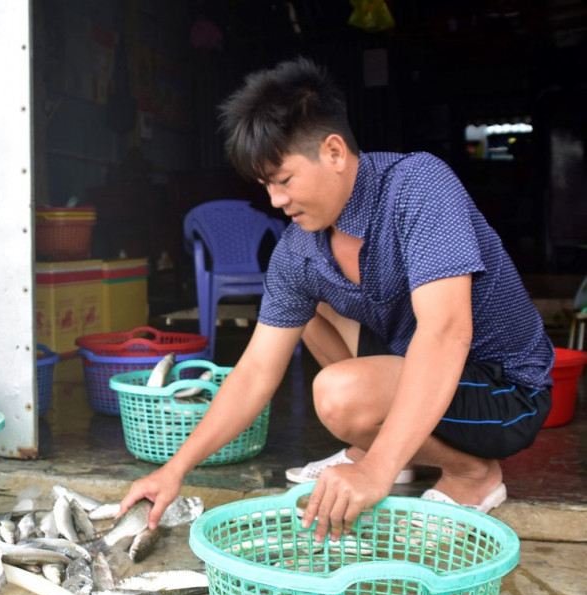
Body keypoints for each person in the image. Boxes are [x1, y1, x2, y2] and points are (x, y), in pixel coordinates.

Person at [119, 57, 553, 543]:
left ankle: (471, 474)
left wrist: (377, 472)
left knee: (338, 395)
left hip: (503, 390)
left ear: (334, 152)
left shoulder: (417, 186)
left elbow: (447, 332)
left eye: (283, 179)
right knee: (301, 308)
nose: (275, 200)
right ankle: (390, 448)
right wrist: (174, 470)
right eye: (265, 185)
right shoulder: (297, 248)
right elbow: (257, 370)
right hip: (418, 370)